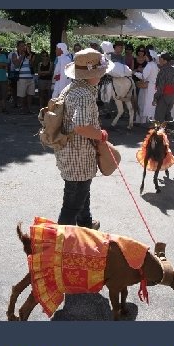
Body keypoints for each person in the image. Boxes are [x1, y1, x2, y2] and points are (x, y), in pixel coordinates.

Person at [53, 48, 116, 229]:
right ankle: (62, 242)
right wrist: (100, 134)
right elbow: (80, 126)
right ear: (91, 74)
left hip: (68, 151)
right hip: (78, 156)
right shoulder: (84, 95)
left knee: (82, 192)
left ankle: (86, 224)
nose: (102, 75)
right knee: (72, 203)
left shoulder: (71, 88)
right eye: (100, 72)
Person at [153, 53, 174, 124]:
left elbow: (161, 86)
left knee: (159, 116)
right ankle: (173, 129)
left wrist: (156, 98)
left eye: (160, 59)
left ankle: (160, 132)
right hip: (172, 96)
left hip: (164, 95)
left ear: (165, 60)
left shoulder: (163, 70)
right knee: (167, 114)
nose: (159, 61)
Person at [11, 40, 36, 114]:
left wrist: (30, 56)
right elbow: (16, 64)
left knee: (30, 94)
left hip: (30, 77)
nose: (23, 47)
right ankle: (23, 109)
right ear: (17, 47)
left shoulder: (28, 55)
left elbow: (31, 65)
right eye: (21, 46)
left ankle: (29, 109)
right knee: (22, 95)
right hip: (21, 78)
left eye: (24, 46)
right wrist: (22, 55)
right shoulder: (15, 54)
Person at [134, 47, 158, 124]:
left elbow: (143, 76)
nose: (144, 57)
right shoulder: (155, 65)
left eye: (146, 56)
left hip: (147, 86)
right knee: (151, 103)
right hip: (153, 86)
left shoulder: (149, 65)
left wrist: (134, 73)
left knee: (143, 102)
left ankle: (144, 121)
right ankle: (150, 120)